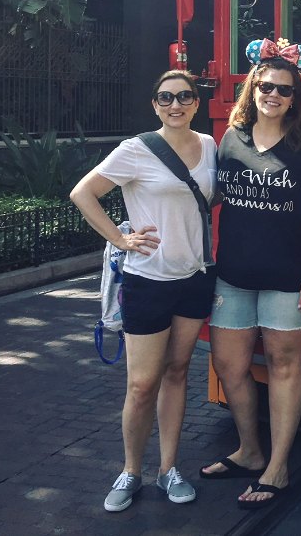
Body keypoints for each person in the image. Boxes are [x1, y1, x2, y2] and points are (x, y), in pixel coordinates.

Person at [200, 39, 301, 509]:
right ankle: (249, 449)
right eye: (265, 86)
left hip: (288, 278)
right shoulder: (231, 139)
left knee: (283, 367)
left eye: (283, 88)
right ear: (252, 90)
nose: (273, 95)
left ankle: (277, 467)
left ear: (295, 97)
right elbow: (214, 196)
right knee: (230, 367)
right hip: (233, 275)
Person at [70, 70, 216, 513]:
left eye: (185, 97)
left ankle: (168, 468)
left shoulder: (208, 145)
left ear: (196, 102)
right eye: (166, 98)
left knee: (177, 373)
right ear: (155, 104)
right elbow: (83, 193)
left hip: (194, 276)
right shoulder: (136, 150)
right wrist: (120, 238)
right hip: (147, 280)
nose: (176, 104)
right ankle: (131, 469)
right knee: (141, 384)